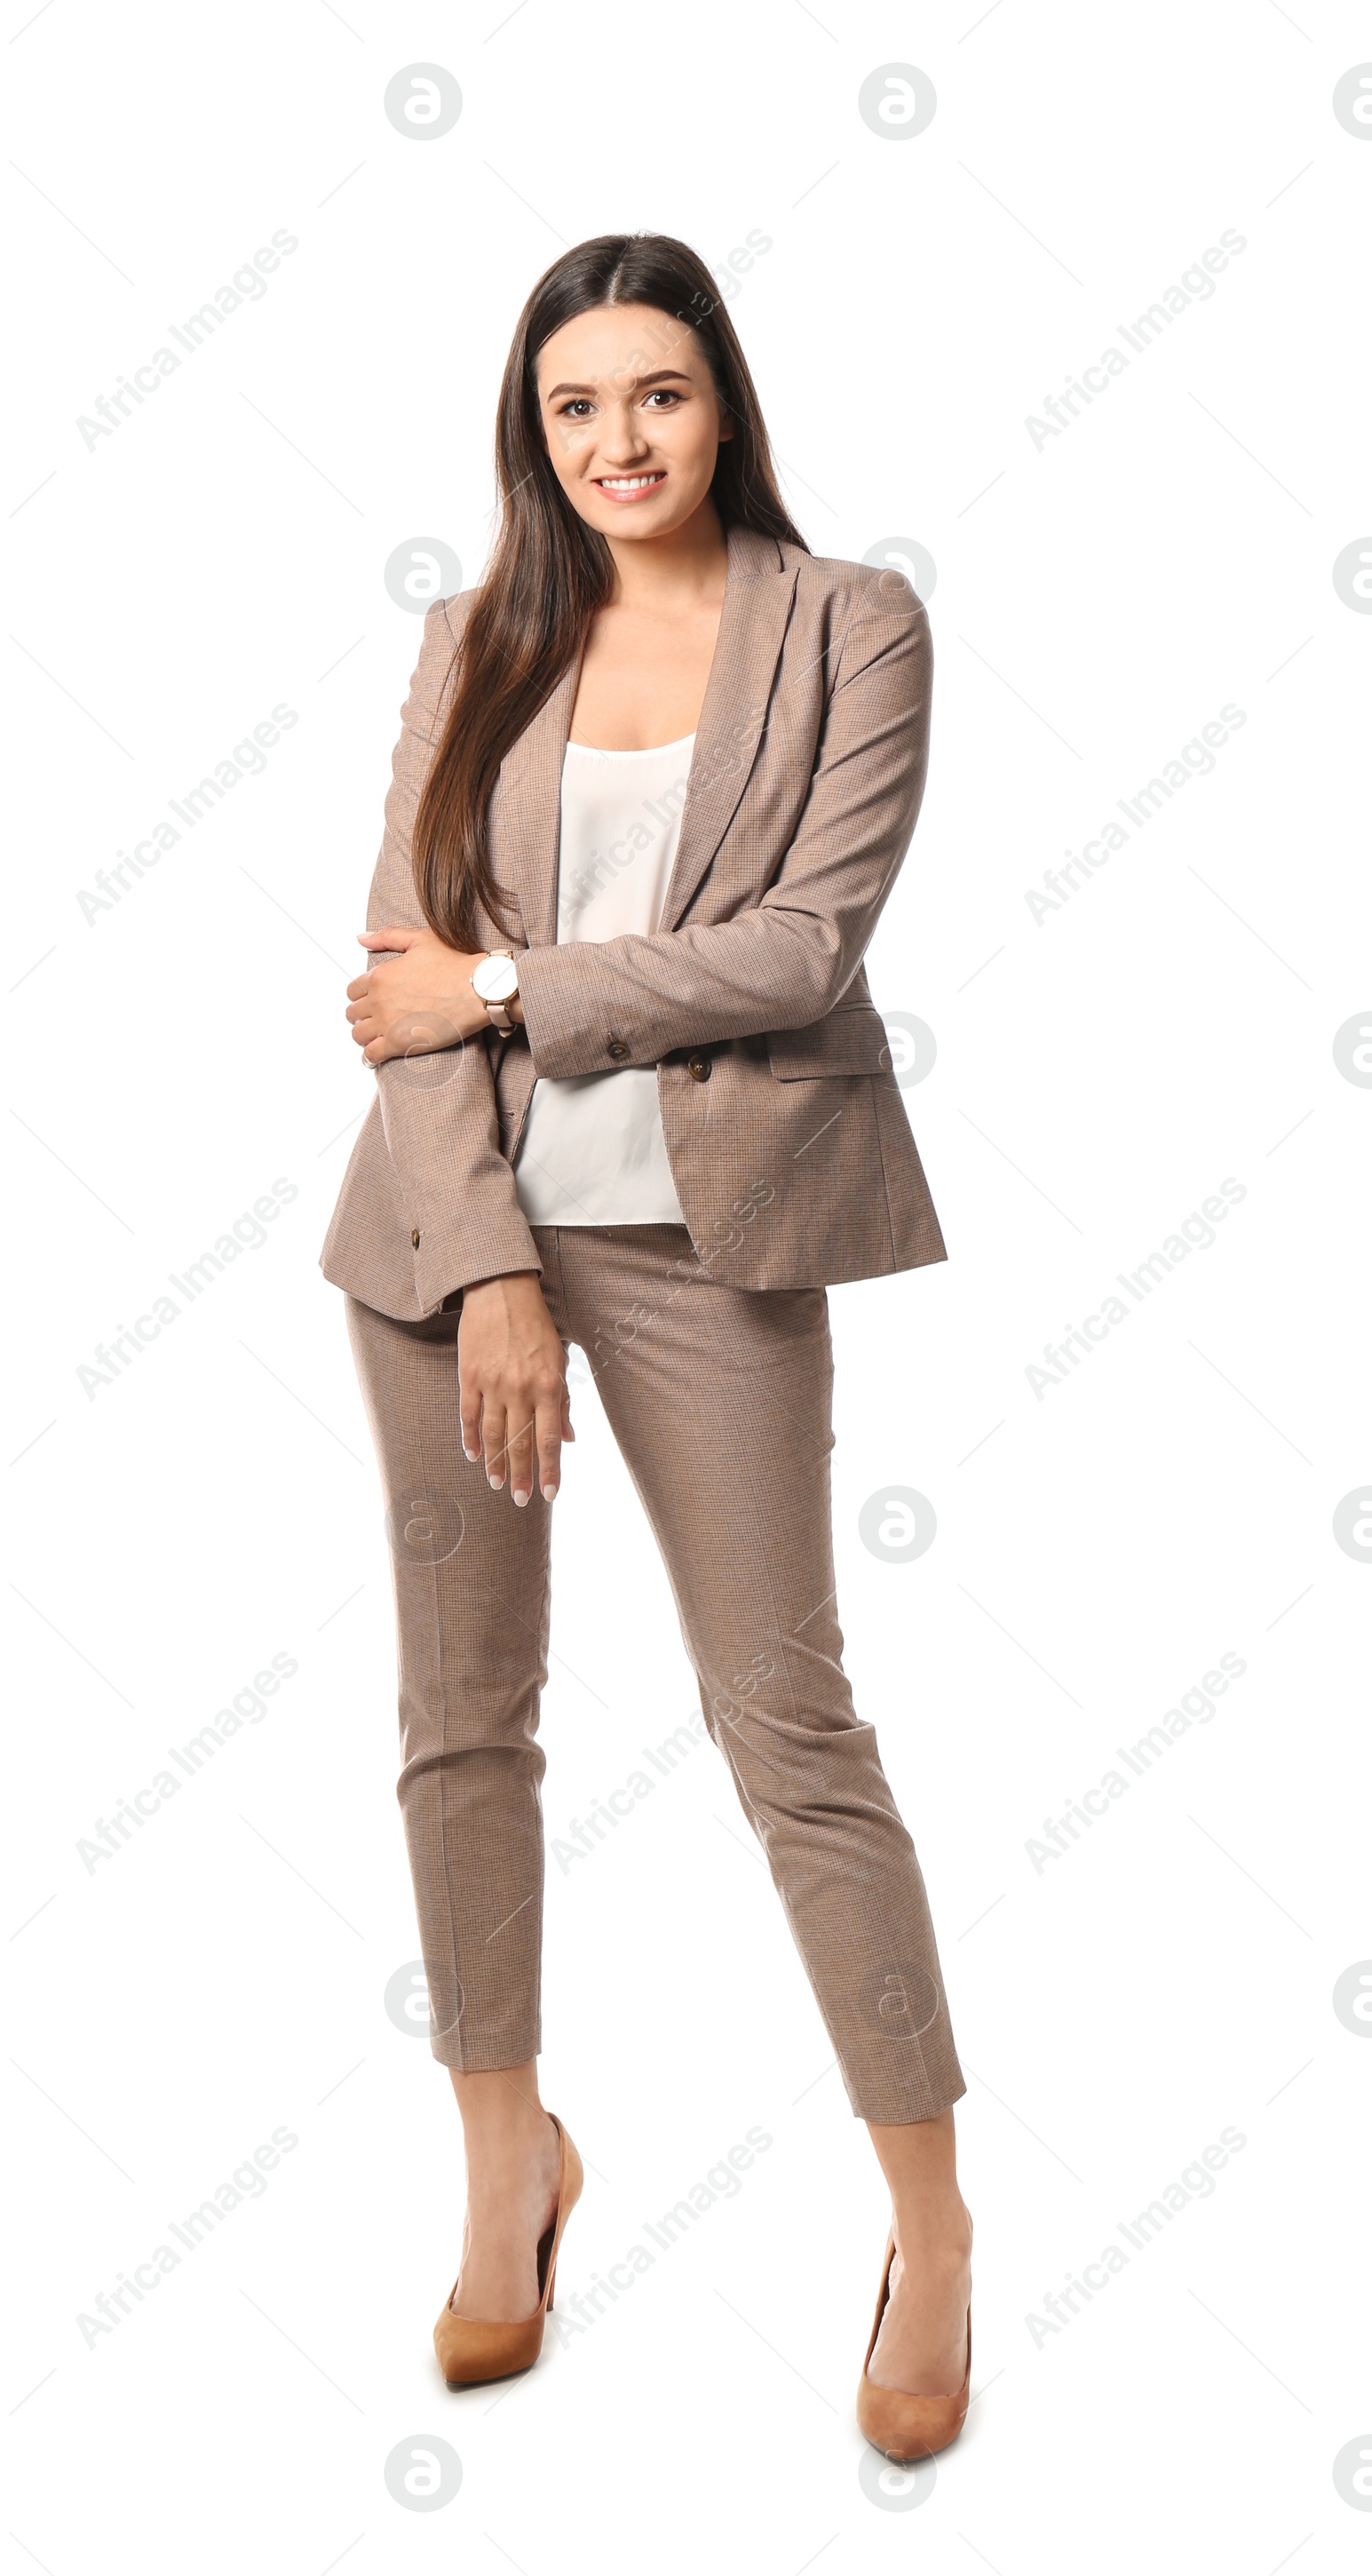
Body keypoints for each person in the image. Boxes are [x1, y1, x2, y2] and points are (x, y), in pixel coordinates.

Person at [320, 232, 973, 2462]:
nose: (619, 442)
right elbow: (398, 971)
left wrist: (516, 992)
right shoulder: (476, 633)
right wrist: (488, 1255)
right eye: (576, 404)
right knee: (456, 1720)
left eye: (659, 396)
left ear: (725, 406)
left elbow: (797, 948)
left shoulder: (846, 622)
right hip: (450, 1240)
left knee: (783, 1716)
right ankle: (507, 2163)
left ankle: (933, 2213)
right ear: (535, 425)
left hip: (719, 1233)